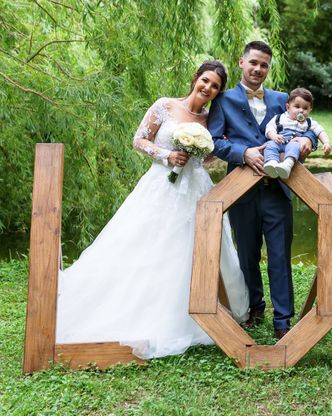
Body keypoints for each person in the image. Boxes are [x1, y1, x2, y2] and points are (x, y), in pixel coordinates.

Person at [56, 61, 250, 359]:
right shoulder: (165, 106)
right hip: (162, 186)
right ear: (195, 78)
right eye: (206, 81)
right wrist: (167, 155)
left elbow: (213, 154)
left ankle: (204, 308)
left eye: (215, 87)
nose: (208, 88)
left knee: (197, 246)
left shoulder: (212, 119)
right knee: (147, 243)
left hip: (197, 187)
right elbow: (138, 140)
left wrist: (196, 156)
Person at [207, 41, 317, 339]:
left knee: (280, 255)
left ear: (269, 68)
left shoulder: (285, 99)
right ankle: (256, 306)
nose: (258, 69)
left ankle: (283, 320)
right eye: (253, 62)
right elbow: (214, 141)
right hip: (240, 191)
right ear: (241, 62)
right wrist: (244, 153)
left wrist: (309, 142)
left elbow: (308, 127)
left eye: (264, 65)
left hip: (278, 189)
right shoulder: (224, 100)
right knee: (247, 254)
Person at [263, 87, 331, 179]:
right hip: (280, 142)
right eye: (297, 106)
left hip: (294, 146)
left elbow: (320, 131)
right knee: (270, 145)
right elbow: (269, 128)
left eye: (305, 108)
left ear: (310, 110)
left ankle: (287, 164)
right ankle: (271, 163)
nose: (301, 110)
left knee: (294, 146)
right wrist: (274, 136)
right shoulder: (279, 118)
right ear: (288, 107)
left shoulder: (309, 122)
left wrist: (326, 142)